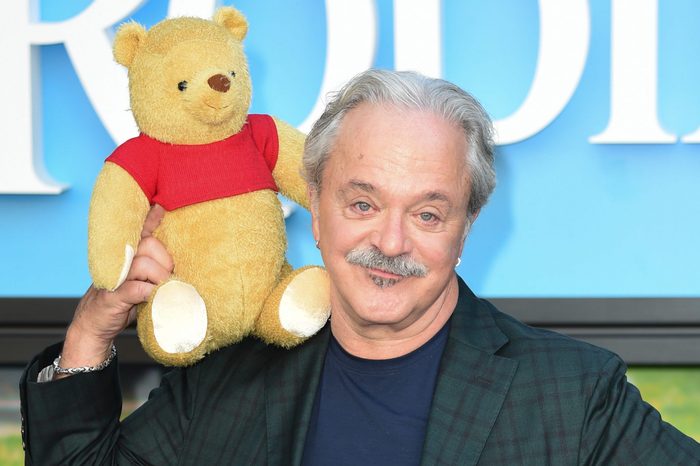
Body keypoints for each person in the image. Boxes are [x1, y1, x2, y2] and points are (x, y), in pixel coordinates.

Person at [19, 69, 700, 465]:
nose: (392, 240)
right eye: (364, 202)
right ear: (314, 206)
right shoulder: (224, 381)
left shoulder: (573, 395)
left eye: (429, 214)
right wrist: (90, 336)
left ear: (466, 229)